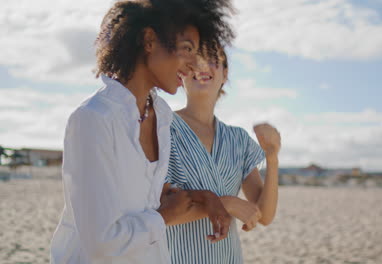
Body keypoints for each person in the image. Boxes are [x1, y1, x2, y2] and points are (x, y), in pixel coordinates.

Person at [50, 0, 234, 263]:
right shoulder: (93, 119)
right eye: (187, 49)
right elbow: (101, 244)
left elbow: (141, 195)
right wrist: (164, 217)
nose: (195, 65)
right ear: (149, 40)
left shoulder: (161, 115)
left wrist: (206, 198)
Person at [163, 46, 281, 263]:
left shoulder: (237, 139)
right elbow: (159, 213)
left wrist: (272, 158)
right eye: (194, 61)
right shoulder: (163, 129)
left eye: (212, 60)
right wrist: (224, 203)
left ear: (225, 74)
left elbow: (263, 215)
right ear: (181, 72)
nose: (203, 66)